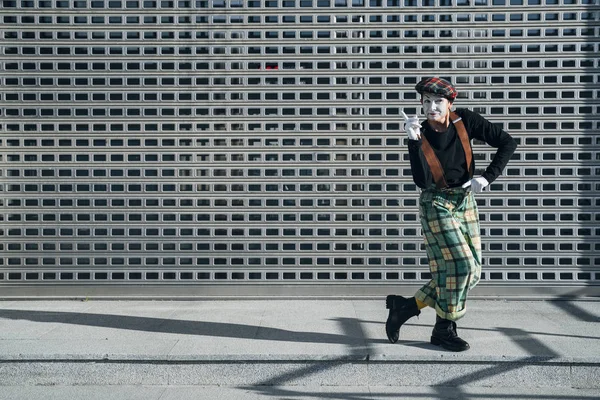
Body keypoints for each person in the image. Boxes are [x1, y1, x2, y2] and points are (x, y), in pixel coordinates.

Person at [385, 77, 517, 351]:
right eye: (426, 102)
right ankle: (444, 329)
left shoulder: (465, 120)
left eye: (438, 102)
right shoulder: (419, 131)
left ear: (450, 103)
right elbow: (422, 180)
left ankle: (407, 306)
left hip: (465, 200)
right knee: (461, 267)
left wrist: (487, 177)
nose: (432, 107)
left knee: (472, 272)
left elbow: (507, 143)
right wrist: (413, 140)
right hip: (436, 202)